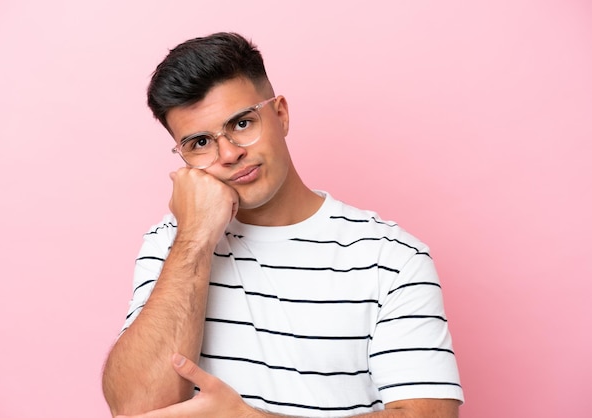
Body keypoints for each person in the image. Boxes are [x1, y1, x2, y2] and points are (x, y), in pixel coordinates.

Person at [102, 32, 464, 418]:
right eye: (200, 143)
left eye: (242, 123)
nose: (229, 154)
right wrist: (194, 239)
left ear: (281, 114)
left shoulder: (391, 258)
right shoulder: (172, 244)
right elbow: (134, 408)